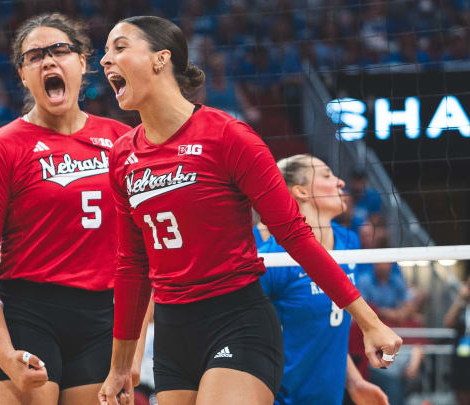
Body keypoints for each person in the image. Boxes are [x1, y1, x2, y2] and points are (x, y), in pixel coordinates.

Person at [97, 15, 402, 405]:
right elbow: (131, 264)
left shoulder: (227, 135)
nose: (105, 60)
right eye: (105, 52)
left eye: (119, 47)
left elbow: (295, 235)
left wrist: (369, 321)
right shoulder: (123, 154)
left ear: (161, 59)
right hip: (174, 331)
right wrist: (121, 365)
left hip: (236, 321)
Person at [0, 13, 133, 405]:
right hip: (27, 315)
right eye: (34, 56)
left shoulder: (123, 141)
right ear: (23, 75)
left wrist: (132, 354)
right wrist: (5, 357)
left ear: (83, 62)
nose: (49, 61)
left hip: (102, 319)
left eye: (60, 50)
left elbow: (145, 253)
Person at [257, 154, 387, 405]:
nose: (340, 182)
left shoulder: (349, 242)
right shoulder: (273, 260)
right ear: (301, 191)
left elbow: (330, 328)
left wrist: (354, 381)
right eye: (327, 175)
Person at [446, 277, 470, 405]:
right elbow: (448, 322)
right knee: (461, 393)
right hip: (462, 357)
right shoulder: (462, 306)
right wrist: (461, 298)